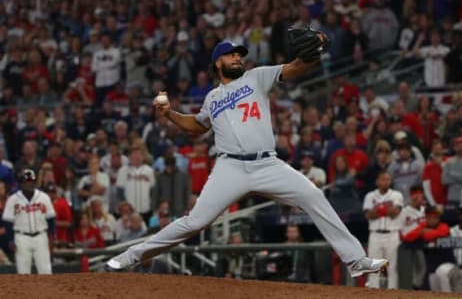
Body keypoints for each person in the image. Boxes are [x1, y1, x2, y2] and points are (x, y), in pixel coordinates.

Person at [105, 37, 388, 277]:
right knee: (194, 222)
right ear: (218, 63)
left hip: (267, 163)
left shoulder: (257, 76)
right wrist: (169, 115)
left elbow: (296, 67)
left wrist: (317, 50)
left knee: (313, 196)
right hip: (231, 167)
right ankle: (132, 255)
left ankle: (356, 261)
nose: (238, 57)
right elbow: (196, 126)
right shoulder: (213, 98)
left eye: (240, 54)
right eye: (232, 55)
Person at [1, 169, 56, 274]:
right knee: (23, 272)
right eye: (27, 181)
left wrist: (52, 236)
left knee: (45, 271)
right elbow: (8, 222)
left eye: (32, 181)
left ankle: (47, 290)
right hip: (21, 238)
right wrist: (11, 240)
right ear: (21, 183)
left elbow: (51, 218)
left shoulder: (43, 197)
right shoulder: (13, 199)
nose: (30, 184)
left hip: (41, 236)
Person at [363, 171, 404, 289]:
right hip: (375, 234)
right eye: (382, 179)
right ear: (377, 181)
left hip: (392, 234)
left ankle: (392, 294)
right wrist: (386, 210)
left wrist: (379, 210)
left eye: (387, 180)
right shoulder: (370, 196)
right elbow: (368, 215)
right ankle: (374, 295)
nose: (385, 182)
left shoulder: (397, 195)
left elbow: (395, 213)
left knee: (392, 268)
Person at [399, 185, 427, 289]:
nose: (420, 200)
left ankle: (414, 288)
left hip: (420, 242)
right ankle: (409, 289)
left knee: (421, 268)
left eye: (421, 197)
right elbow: (400, 229)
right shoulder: (405, 211)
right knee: (409, 268)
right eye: (417, 197)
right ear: (413, 198)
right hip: (407, 243)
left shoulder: (425, 210)